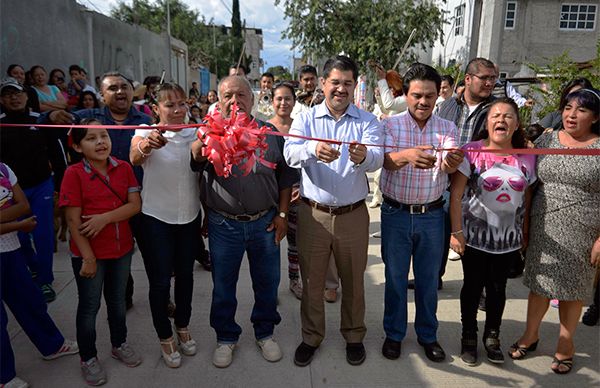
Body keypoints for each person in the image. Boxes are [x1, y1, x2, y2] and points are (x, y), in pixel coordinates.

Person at [284, 55, 384, 367]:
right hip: (313, 214)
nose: (340, 89)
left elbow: (378, 158)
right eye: (335, 82)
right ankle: (311, 337)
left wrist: (363, 156)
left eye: (347, 83)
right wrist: (312, 149)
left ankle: (354, 336)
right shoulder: (306, 118)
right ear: (323, 84)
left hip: (353, 214)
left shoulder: (367, 121)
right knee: (312, 282)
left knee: (354, 281)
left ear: (355, 86)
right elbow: (289, 153)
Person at [191, 75, 296, 368]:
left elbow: (286, 178)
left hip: (264, 223)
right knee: (223, 285)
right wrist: (200, 144)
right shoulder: (209, 132)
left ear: (253, 99)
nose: (235, 101)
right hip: (224, 225)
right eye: (228, 96)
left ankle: (265, 332)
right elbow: (196, 159)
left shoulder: (269, 132)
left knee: (267, 283)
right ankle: (226, 337)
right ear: (218, 100)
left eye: (241, 95)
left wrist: (283, 215)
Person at [510, 88, 600, 374]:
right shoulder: (546, 138)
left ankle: (565, 343)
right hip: (543, 224)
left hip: (584, 229)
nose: (572, 115)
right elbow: (521, 165)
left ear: (595, 117)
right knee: (539, 285)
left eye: (581, 110)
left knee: (573, 290)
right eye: (568, 107)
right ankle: (531, 334)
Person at [46, 71, 153, 310]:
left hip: (140, 200)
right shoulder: (88, 118)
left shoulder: (144, 119)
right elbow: (49, 121)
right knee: (119, 257)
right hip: (104, 207)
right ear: (102, 95)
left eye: (124, 86)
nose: (120, 92)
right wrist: (51, 113)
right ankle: (123, 298)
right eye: (112, 88)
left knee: (153, 256)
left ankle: (161, 297)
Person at [379, 63, 463, 363]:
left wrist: (451, 162)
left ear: (437, 95)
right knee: (395, 278)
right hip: (396, 213)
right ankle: (394, 334)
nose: (423, 102)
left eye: (429, 95)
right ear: (406, 93)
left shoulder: (447, 128)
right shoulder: (390, 125)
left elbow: (449, 163)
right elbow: (384, 161)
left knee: (428, 281)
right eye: (417, 95)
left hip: (431, 216)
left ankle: (428, 335)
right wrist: (406, 156)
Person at [449, 98, 536, 366]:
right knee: (473, 287)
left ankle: (492, 336)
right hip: (474, 237)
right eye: (495, 115)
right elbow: (456, 194)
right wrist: (457, 231)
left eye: (508, 116)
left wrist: (525, 232)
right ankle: (469, 337)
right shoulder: (471, 152)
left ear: (517, 123)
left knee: (498, 289)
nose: (501, 120)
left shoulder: (527, 156)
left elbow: (528, 197)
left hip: (508, 241)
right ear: (486, 123)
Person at [59, 119, 142, 386]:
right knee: (89, 307)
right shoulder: (73, 173)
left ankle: (119, 343)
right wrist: (88, 257)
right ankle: (88, 357)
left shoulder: (124, 168)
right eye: (91, 138)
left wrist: (104, 219)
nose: (101, 142)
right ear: (78, 146)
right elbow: (73, 221)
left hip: (122, 250)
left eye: (104, 136)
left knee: (118, 302)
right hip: (90, 254)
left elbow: (135, 206)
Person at [130, 83, 201, 368]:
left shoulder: (196, 132)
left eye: (182, 104)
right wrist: (148, 143)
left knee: (186, 276)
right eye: (170, 104)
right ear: (155, 108)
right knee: (160, 282)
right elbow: (135, 156)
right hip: (156, 218)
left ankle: (182, 326)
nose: (177, 110)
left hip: (189, 217)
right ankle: (164, 336)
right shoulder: (145, 131)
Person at [1, 162, 79, 388]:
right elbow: (18, 211)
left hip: (11, 250)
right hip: (13, 237)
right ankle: (4, 376)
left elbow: (24, 205)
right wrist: (16, 223)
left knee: (30, 301)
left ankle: (52, 345)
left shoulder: (4, 169)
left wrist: (14, 221)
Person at [433, 58, 499, 293]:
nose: (490, 83)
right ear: (468, 79)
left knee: (476, 240)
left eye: (493, 78)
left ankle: (479, 289)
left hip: (479, 185)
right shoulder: (447, 106)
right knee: (440, 234)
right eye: (485, 78)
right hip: (444, 181)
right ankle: (434, 277)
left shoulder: (497, 109)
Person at [0, 78, 67, 303]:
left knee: (43, 233)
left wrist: (61, 185)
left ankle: (45, 280)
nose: (14, 97)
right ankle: (33, 269)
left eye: (17, 93)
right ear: (2, 100)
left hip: (42, 185)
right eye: (8, 94)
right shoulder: (1, 124)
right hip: (12, 193)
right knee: (18, 234)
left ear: (27, 96)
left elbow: (58, 155)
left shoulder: (40, 120)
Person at [267, 83, 302, 299]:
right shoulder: (263, 128)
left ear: (294, 102)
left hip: (298, 195)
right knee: (270, 246)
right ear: (272, 101)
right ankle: (270, 289)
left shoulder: (301, 128)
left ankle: (294, 280)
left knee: (295, 245)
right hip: (270, 196)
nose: (283, 103)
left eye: (287, 98)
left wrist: (300, 188)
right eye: (279, 98)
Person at [369, 65, 407, 209]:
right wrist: (379, 96)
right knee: (379, 173)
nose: (389, 89)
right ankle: (377, 197)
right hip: (389, 138)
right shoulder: (397, 98)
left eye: (390, 86)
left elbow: (389, 105)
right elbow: (385, 107)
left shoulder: (405, 98)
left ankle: (386, 199)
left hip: (400, 142)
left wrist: (381, 80)